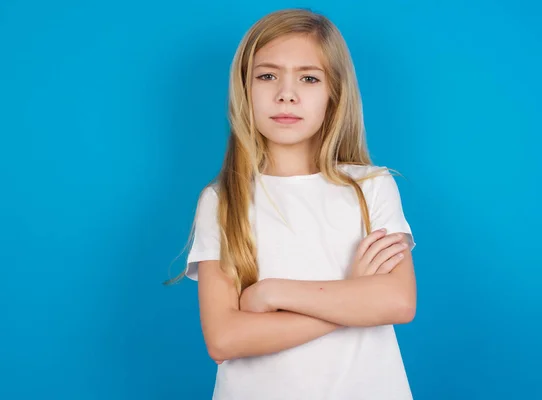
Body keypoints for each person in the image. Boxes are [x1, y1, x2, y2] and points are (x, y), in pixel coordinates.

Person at [168, 8, 417, 400]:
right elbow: (225, 339)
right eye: (267, 76)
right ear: (244, 89)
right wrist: (351, 297)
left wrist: (270, 294)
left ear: (334, 92)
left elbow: (397, 302)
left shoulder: (370, 187)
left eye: (309, 78)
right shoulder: (222, 200)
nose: (287, 93)